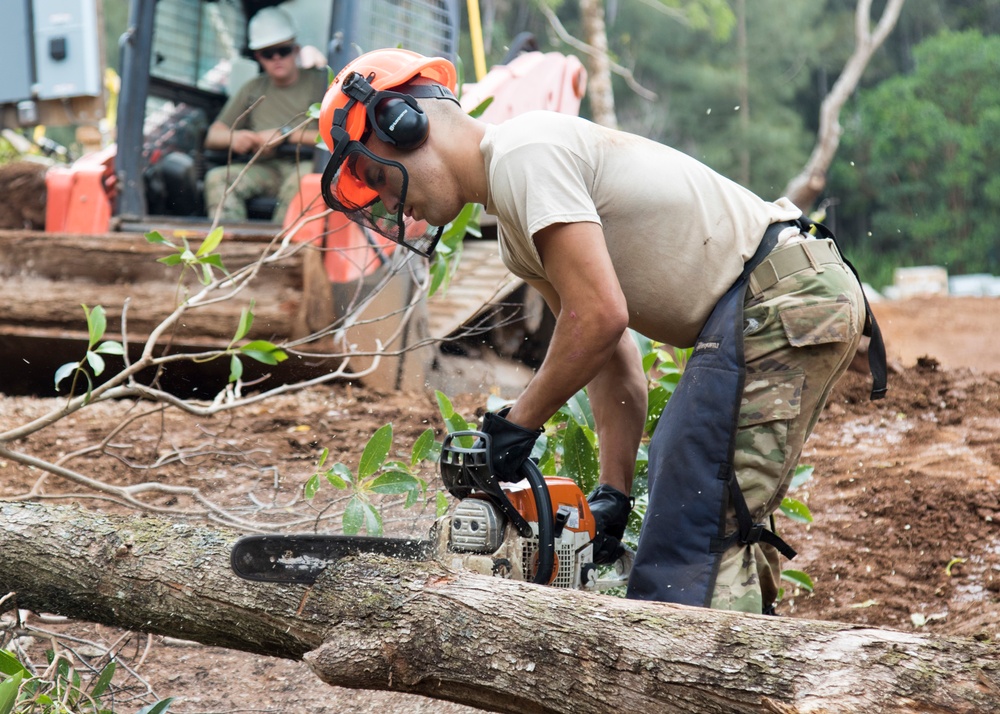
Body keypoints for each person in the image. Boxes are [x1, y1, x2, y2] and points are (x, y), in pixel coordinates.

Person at [315, 48, 887, 614]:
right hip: (771, 300)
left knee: (691, 518)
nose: (392, 202)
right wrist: (610, 495)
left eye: (377, 178)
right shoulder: (518, 238)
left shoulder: (524, 152)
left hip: (778, 294)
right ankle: (748, 655)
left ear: (402, 124)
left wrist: (514, 427)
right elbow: (611, 358)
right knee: (708, 511)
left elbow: (598, 315)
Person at [203, 6, 328, 223]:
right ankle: (231, 249)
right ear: (258, 57)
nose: (277, 58)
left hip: (308, 164)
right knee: (217, 178)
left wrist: (285, 135)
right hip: (265, 168)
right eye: (268, 54)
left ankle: (279, 252)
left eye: (284, 50)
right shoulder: (252, 89)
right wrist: (235, 138)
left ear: (296, 49)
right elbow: (213, 136)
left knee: (303, 181)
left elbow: (332, 138)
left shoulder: (321, 83)